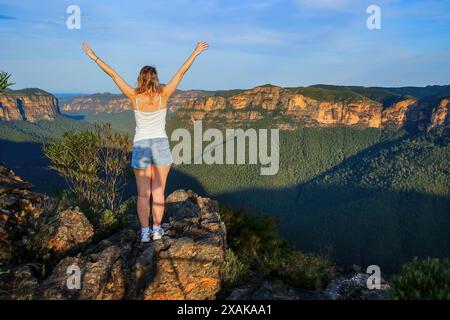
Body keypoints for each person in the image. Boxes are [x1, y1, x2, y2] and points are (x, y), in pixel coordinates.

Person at [82, 41, 209, 242]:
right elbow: (181, 72)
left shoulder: (134, 96)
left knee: (143, 195)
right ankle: (157, 230)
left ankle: (144, 232)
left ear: (140, 78)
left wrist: (94, 56)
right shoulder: (163, 95)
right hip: (160, 145)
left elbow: (113, 74)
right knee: (158, 193)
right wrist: (195, 53)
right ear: (155, 79)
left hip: (141, 145)